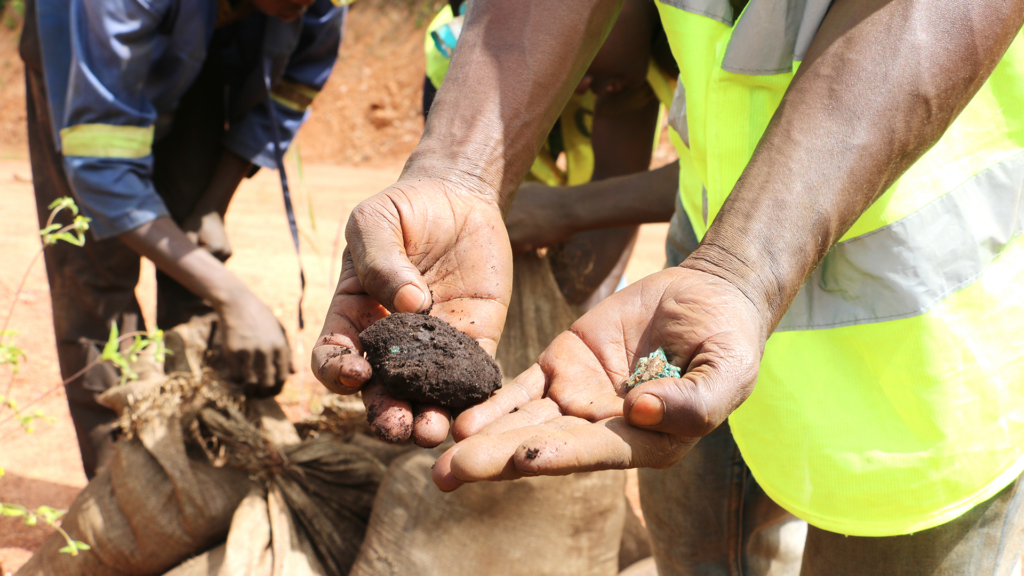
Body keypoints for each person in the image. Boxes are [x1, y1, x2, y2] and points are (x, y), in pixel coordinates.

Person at [314, 0, 1024, 573]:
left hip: (919, 345)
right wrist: (459, 174)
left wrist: (741, 269)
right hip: (692, 292)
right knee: (691, 550)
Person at [19, 0, 346, 477]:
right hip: (85, 67)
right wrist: (236, 298)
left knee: (197, 276)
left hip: (205, 58)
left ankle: (206, 467)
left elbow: (295, 83)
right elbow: (101, 166)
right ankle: (129, 491)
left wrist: (213, 204)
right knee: (98, 282)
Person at [424, 0, 680, 310]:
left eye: (567, 56)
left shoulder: (647, 50)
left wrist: (564, 210)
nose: (574, 84)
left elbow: (718, 183)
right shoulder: (621, 53)